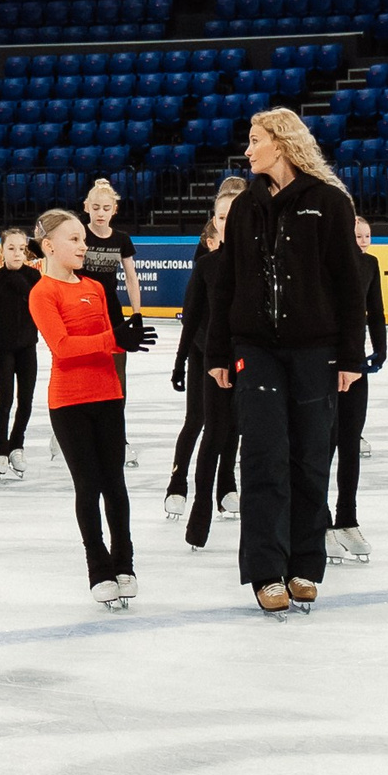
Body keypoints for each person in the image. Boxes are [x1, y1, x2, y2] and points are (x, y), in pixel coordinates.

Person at [205, 108, 365, 617]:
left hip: (316, 350)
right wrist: (217, 352)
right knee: (263, 456)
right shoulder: (248, 205)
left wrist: (349, 354)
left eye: (255, 140)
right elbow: (225, 282)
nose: (247, 150)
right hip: (256, 350)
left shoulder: (328, 203)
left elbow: (347, 285)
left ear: (283, 143)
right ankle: (265, 570)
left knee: (311, 456)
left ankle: (304, 566)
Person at [30, 206, 153, 607]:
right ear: (49, 246)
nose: (84, 245)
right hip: (69, 401)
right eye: (75, 239)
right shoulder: (42, 292)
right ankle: (98, 568)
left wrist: (125, 340)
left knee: (115, 483)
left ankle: (125, 564)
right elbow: (63, 348)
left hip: (108, 394)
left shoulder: (96, 288)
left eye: (83, 239)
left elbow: (107, 336)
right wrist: (110, 339)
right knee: (89, 486)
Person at [168, 176, 247, 524]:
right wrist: (185, 358)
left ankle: (226, 485)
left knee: (233, 424)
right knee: (198, 419)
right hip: (206, 351)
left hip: (238, 352)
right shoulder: (208, 252)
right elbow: (195, 312)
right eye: (222, 215)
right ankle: (177, 482)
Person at [326, 215, 388, 563]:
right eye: (356, 235)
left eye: (365, 236)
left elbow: (375, 310)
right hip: (324, 363)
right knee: (322, 444)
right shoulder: (326, 261)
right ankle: (320, 523)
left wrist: (380, 346)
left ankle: (346, 518)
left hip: (356, 364)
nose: (361, 241)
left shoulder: (370, 265)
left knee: (350, 443)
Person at [77, 178, 146, 467]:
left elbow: (131, 277)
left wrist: (138, 313)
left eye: (106, 208)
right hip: (82, 314)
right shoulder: (78, 235)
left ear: (115, 209)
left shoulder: (121, 239)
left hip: (113, 315)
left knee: (118, 379)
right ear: (86, 207)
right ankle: (79, 432)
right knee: (83, 374)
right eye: (95, 207)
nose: (100, 212)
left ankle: (118, 436)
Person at [0, 226, 40, 478]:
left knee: (25, 401)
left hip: (28, 347)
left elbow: (42, 311)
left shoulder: (34, 278)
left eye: (21, 249)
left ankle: (17, 445)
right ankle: (0, 450)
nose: (17, 253)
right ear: (2, 250)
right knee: (5, 400)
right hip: (3, 348)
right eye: (11, 248)